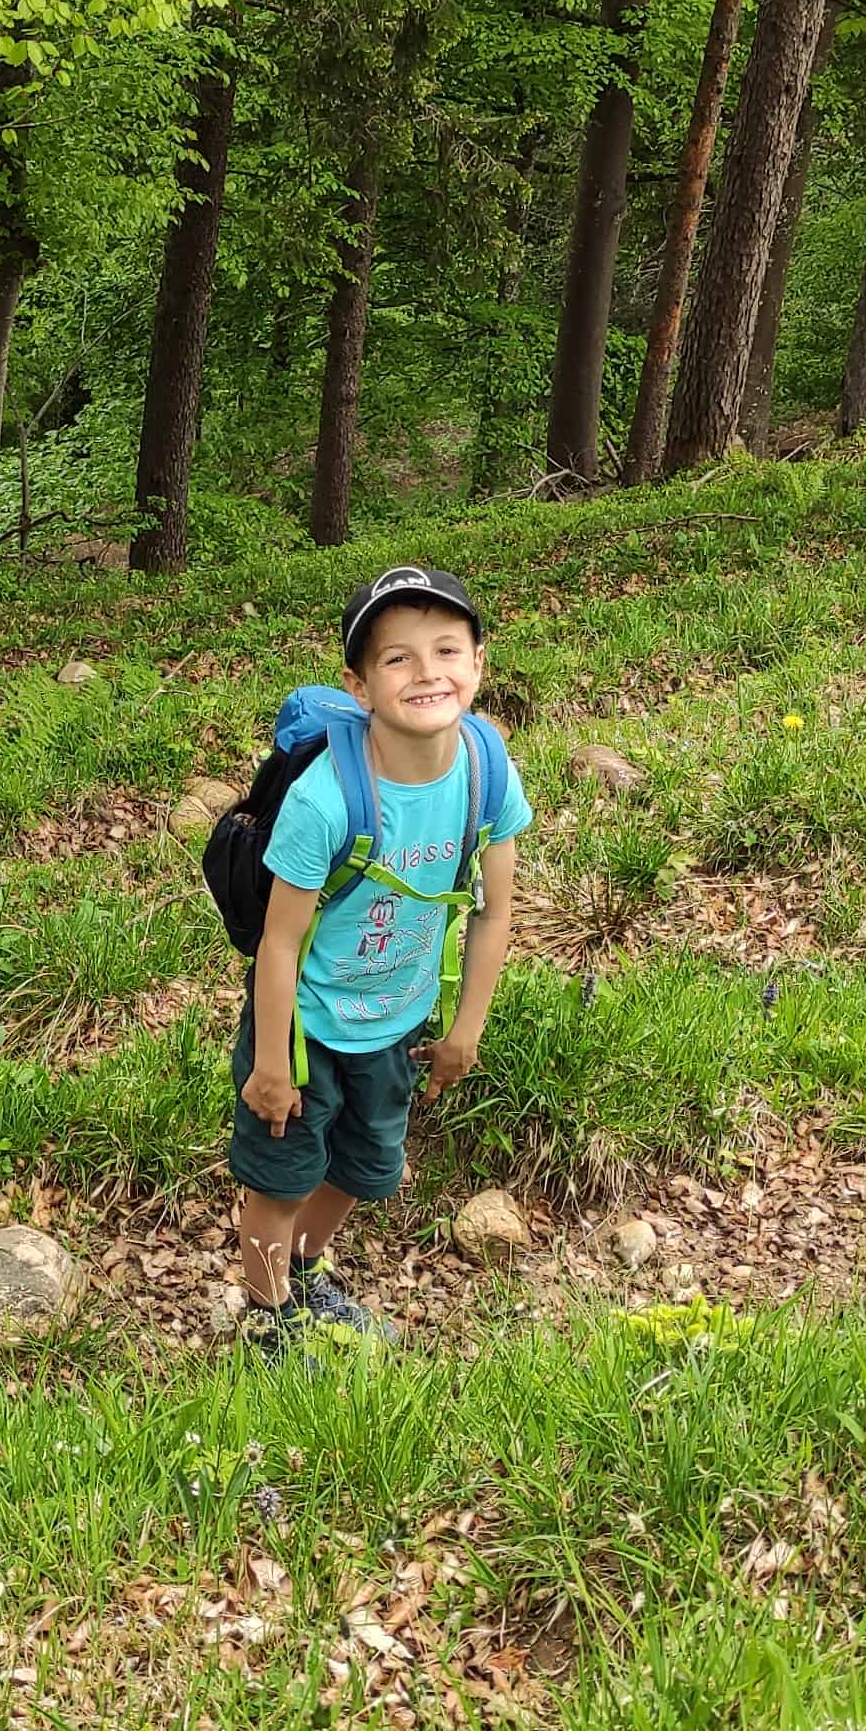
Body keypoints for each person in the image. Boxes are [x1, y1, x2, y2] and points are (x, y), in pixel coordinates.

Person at [233, 564, 529, 1353]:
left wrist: (465, 1030)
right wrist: (271, 1065)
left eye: (447, 650)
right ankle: (267, 1318)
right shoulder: (326, 798)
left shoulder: (487, 769)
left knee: (365, 1168)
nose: (427, 672)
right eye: (398, 658)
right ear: (359, 686)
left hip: (396, 1019)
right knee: (280, 1181)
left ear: (478, 664)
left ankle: (305, 1272)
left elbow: (494, 910)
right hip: (306, 1026)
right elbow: (279, 942)